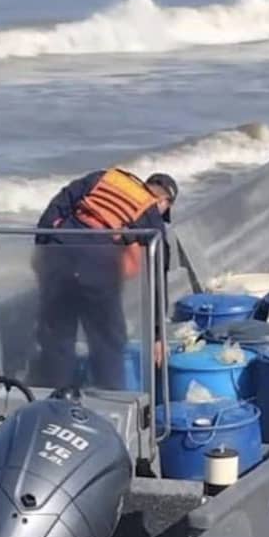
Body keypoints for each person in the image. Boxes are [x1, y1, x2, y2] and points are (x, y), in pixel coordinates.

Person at [30, 168, 178, 391]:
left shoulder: (105, 177)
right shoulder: (150, 211)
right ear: (164, 201)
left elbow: (57, 206)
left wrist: (42, 250)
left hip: (57, 258)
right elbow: (158, 275)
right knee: (108, 340)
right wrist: (158, 334)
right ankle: (109, 399)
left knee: (57, 338)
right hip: (97, 268)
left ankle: (54, 401)